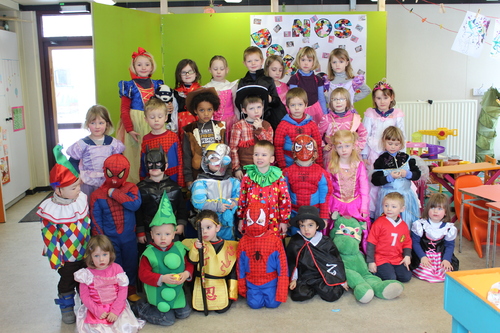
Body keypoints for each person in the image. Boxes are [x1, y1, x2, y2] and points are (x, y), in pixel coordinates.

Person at [37, 145, 91, 324]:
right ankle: (66, 307)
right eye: (73, 188)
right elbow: (50, 239)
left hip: (84, 251)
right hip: (66, 258)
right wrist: (56, 260)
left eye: (78, 185)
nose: (78, 189)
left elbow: (87, 224)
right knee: (67, 281)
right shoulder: (51, 211)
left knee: (84, 280)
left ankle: (86, 303)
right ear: (58, 190)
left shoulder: (80, 198)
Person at [134, 193, 194, 326]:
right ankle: (141, 307)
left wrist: (186, 274)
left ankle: (173, 306)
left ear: (173, 234)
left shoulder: (179, 248)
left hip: (176, 292)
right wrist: (162, 278)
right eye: (158, 234)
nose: (162, 238)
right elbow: (143, 275)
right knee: (167, 320)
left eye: (167, 234)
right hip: (158, 293)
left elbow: (188, 264)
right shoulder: (149, 253)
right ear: (152, 235)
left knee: (184, 313)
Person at [90, 154, 142, 301]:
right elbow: (96, 220)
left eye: (118, 174)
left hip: (129, 237)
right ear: (104, 170)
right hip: (109, 239)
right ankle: (116, 293)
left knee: (131, 264)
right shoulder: (97, 194)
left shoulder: (132, 188)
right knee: (113, 266)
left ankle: (131, 290)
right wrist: (101, 241)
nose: (114, 178)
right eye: (110, 173)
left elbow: (134, 205)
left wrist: (115, 193)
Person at [74, 235, 145, 332]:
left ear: (110, 254)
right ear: (90, 257)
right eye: (96, 256)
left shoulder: (117, 269)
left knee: (125, 327)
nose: (101, 259)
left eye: (104, 254)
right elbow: (84, 296)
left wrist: (115, 311)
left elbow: (123, 292)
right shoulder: (86, 274)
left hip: (116, 307)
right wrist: (97, 311)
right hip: (96, 309)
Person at [118, 47, 163, 183]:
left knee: (153, 150)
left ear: (151, 67)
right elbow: (124, 109)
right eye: (139, 64)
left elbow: (163, 104)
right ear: (134, 67)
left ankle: (154, 179)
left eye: (147, 64)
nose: (143, 67)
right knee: (135, 153)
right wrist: (129, 129)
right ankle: (135, 183)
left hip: (153, 122)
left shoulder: (157, 85)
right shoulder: (129, 86)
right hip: (135, 124)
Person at [361, 80, 405, 217]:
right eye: (378, 98)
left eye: (385, 98)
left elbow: (401, 135)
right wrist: (364, 155)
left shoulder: (397, 114)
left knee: (390, 181)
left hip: (391, 153)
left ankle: (392, 211)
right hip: (374, 154)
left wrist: (402, 157)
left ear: (391, 97)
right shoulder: (370, 113)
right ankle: (374, 214)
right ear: (374, 99)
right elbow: (364, 134)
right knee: (374, 184)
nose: (382, 101)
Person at [286, 206, 347, 302]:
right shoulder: (296, 242)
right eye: (303, 226)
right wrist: (294, 279)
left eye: (310, 225)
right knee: (298, 295)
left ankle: (319, 288)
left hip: (321, 276)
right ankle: (312, 289)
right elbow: (293, 263)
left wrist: (341, 280)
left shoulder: (325, 242)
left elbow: (335, 260)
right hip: (304, 276)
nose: (306, 230)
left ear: (317, 226)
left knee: (332, 295)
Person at [182, 210, 239, 313]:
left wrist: (232, 293)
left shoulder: (230, 246)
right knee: (199, 307)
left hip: (220, 282)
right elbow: (193, 261)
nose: (204, 232)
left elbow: (232, 273)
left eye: (208, 227)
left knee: (222, 308)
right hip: (202, 282)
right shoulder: (195, 244)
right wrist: (195, 248)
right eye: (201, 228)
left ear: (217, 227)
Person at [237, 201, 288, 309]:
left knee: (273, 304)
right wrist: (242, 287)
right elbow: (240, 266)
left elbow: (283, 267)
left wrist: (282, 290)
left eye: (259, 221)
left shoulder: (275, 241)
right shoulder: (243, 241)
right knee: (254, 304)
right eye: (251, 221)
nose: (255, 225)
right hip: (252, 282)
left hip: (271, 282)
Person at [67, 105, 125, 200]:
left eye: (101, 123)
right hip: (87, 182)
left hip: (108, 181)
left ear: (107, 123)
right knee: (89, 203)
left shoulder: (113, 143)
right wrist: (77, 176)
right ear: (87, 124)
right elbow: (73, 162)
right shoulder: (82, 144)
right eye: (93, 123)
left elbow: (120, 162)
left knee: (106, 204)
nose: (97, 127)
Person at [136, 147, 188, 250]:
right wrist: (140, 231)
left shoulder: (175, 187)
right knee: (151, 256)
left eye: (158, 164)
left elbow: (182, 208)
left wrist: (181, 223)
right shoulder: (139, 188)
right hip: (149, 231)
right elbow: (138, 212)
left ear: (166, 165)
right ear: (146, 165)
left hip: (171, 230)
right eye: (150, 164)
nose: (154, 167)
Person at [237, 140, 291, 238]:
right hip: (251, 219)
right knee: (253, 245)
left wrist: (284, 221)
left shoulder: (278, 177)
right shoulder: (248, 176)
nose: (259, 157)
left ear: (271, 159)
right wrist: (241, 219)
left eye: (264, 155)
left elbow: (284, 199)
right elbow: (242, 199)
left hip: (272, 220)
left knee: (271, 245)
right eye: (256, 154)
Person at [371, 126, 421, 228]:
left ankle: (406, 240)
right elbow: (375, 180)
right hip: (388, 197)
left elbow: (417, 174)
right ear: (384, 142)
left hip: (406, 197)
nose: (393, 147)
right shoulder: (381, 160)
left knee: (407, 221)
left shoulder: (407, 158)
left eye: (396, 144)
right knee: (388, 224)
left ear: (401, 144)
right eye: (390, 144)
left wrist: (408, 174)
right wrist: (389, 177)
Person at [283, 135, 331, 236]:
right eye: (299, 147)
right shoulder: (287, 172)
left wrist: (323, 216)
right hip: (294, 214)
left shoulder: (321, 173)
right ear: (294, 152)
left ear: (314, 152)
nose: (304, 150)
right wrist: (285, 218)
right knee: (295, 241)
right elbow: (284, 196)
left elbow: (324, 196)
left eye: (308, 147)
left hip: (314, 215)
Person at [191, 143, 240, 240]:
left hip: (228, 227)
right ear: (206, 160)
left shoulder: (233, 181)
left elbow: (239, 196)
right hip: (208, 227)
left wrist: (234, 203)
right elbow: (198, 202)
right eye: (213, 158)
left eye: (221, 157)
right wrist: (216, 206)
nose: (217, 161)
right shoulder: (201, 182)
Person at [327, 130, 370, 239]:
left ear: (353, 146)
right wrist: (327, 206)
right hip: (336, 204)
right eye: (340, 147)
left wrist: (364, 207)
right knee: (336, 229)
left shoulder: (358, 165)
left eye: (347, 146)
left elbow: (364, 188)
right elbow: (328, 187)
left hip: (355, 205)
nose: (344, 150)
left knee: (355, 229)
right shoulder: (332, 165)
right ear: (335, 148)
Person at [182, 87, 226, 188]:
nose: (206, 114)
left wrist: (227, 172)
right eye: (202, 110)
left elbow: (226, 152)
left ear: (214, 109)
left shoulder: (220, 127)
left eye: (209, 109)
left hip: (218, 175)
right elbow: (187, 156)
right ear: (195, 110)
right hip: (197, 176)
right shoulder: (189, 130)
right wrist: (188, 179)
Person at [411, 193, 459, 283]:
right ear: (427, 209)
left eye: (439, 209)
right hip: (424, 255)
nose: (435, 211)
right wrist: (422, 257)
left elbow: (449, 245)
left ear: (445, 212)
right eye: (432, 208)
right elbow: (415, 243)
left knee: (446, 272)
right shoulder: (420, 225)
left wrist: (446, 259)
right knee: (425, 271)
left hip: (440, 256)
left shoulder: (449, 228)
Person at [366, 192, 412, 283]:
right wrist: (371, 261)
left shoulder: (403, 225)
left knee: (406, 277)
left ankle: (390, 270)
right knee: (390, 278)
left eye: (393, 207)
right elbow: (371, 242)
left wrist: (407, 256)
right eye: (386, 205)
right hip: (381, 259)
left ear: (402, 209)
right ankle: (374, 272)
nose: (389, 209)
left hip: (396, 258)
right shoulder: (379, 222)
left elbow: (407, 242)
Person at [238, 46, 287, 130]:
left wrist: (270, 99)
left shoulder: (268, 80)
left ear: (262, 61)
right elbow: (239, 102)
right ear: (245, 63)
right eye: (249, 61)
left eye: (256, 60)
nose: (253, 63)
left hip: (268, 118)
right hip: (249, 119)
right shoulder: (243, 82)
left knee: (266, 140)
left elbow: (277, 101)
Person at [230, 85, 274, 180]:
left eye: (259, 107)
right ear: (244, 110)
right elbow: (233, 149)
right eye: (251, 108)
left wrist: (259, 129)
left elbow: (269, 144)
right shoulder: (238, 126)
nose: (256, 111)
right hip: (245, 168)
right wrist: (236, 168)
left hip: (263, 169)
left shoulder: (266, 125)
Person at [140, 96, 184, 187]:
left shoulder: (173, 136)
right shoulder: (146, 139)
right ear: (146, 120)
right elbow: (143, 161)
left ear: (165, 118)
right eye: (152, 117)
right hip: (153, 178)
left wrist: (181, 181)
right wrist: (143, 179)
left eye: (160, 117)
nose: (156, 120)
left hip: (173, 177)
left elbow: (180, 159)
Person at [318, 87, 367, 168]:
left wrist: (359, 146)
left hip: (351, 153)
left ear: (347, 102)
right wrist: (323, 146)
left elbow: (363, 133)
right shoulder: (327, 118)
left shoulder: (354, 118)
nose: (338, 102)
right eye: (335, 99)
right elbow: (317, 134)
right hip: (332, 154)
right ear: (331, 102)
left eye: (341, 99)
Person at [274, 87, 323, 168]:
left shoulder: (312, 125)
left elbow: (318, 147)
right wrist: (282, 168)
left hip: (308, 166)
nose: (296, 108)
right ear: (288, 106)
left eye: (300, 104)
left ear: (306, 105)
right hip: (288, 166)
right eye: (293, 105)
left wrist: (319, 167)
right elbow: (278, 148)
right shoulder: (283, 125)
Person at [287, 46, 327, 124]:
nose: (306, 63)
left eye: (309, 60)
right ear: (298, 61)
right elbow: (292, 99)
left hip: (315, 111)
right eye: (303, 60)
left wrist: (325, 115)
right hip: (299, 112)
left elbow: (321, 99)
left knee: (316, 133)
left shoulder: (318, 80)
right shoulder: (294, 79)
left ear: (313, 62)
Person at [204, 55, 238, 142]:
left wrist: (238, 120)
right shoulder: (206, 88)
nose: (218, 72)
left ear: (227, 70)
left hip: (230, 122)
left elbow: (235, 104)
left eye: (221, 69)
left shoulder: (231, 86)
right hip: (213, 122)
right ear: (210, 70)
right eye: (215, 69)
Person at [174, 59, 202, 139]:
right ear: (179, 74)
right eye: (183, 72)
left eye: (190, 71)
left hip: (198, 124)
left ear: (196, 73)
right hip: (181, 125)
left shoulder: (201, 91)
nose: (187, 74)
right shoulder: (175, 93)